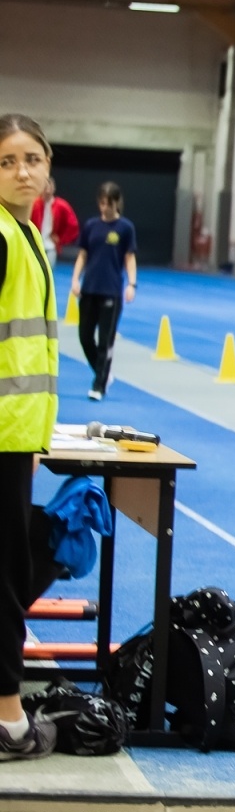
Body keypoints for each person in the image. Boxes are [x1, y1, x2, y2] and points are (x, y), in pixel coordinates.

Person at [0, 113, 61, 760]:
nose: (22, 171)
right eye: (8, 160)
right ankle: (10, 718)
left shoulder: (29, 238)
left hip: (15, 438)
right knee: (7, 577)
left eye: (32, 159)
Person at [70, 182, 136, 401]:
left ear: (117, 202)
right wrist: (75, 279)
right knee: (85, 337)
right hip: (90, 288)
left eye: (108, 203)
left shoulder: (125, 228)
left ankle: (99, 385)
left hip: (111, 292)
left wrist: (131, 284)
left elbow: (129, 257)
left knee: (105, 339)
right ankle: (103, 372)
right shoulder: (91, 226)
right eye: (101, 203)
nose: (104, 207)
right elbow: (83, 254)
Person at [29, 175, 78, 269]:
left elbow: (73, 224)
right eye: (45, 188)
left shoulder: (61, 205)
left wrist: (61, 239)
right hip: (35, 244)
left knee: (48, 272)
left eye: (49, 188)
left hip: (51, 246)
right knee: (34, 271)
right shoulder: (33, 204)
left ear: (53, 188)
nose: (47, 191)